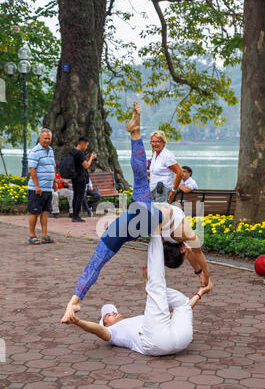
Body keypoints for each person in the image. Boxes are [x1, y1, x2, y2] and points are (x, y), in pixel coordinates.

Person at [61, 103, 210, 323]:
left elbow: (195, 250)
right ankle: (74, 300)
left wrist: (206, 274)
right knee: (96, 262)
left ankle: (75, 299)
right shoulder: (173, 238)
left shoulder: (181, 230)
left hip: (140, 215)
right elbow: (192, 254)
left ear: (180, 250)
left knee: (140, 178)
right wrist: (203, 278)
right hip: (130, 227)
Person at [61, 235, 213, 356]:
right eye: (108, 314)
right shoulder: (113, 333)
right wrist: (78, 322)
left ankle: (151, 284)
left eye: (112, 310)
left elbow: (176, 314)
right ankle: (156, 237)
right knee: (156, 288)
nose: (113, 312)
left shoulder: (139, 320)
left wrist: (200, 293)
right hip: (156, 343)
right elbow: (98, 331)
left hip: (181, 340)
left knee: (181, 303)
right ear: (105, 323)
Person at [27, 128, 57, 245]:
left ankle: (45, 235)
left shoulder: (51, 150)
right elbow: (32, 169)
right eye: (45, 138)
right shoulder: (35, 151)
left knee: (45, 212)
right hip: (37, 189)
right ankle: (32, 235)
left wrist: (54, 182)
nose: (47, 140)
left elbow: (52, 166)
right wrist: (36, 185)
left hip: (48, 188)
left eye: (49, 138)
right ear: (40, 138)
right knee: (34, 212)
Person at [149, 130, 182, 203]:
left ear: (163, 142)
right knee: (153, 213)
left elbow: (180, 173)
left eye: (157, 141)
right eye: (153, 142)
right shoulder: (155, 153)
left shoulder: (167, 156)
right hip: (153, 190)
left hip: (163, 191)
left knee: (162, 213)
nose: (154, 144)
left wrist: (173, 191)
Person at [70, 137, 97, 222]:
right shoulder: (80, 153)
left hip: (74, 177)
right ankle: (76, 216)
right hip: (80, 178)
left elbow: (79, 162)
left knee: (75, 196)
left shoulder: (73, 152)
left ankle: (74, 215)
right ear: (82, 144)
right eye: (86, 145)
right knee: (79, 197)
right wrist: (91, 158)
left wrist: (86, 157)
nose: (86, 147)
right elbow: (86, 166)